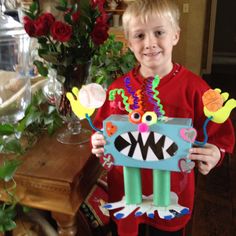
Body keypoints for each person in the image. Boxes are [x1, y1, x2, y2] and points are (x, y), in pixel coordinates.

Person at [91, 0, 235, 235]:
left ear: (175, 36)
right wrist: (97, 142)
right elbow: (101, 130)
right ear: (129, 43)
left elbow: (220, 135)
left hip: (172, 197)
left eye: (159, 32)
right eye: (139, 35)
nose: (149, 43)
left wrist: (215, 153)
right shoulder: (117, 89)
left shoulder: (196, 88)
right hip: (127, 194)